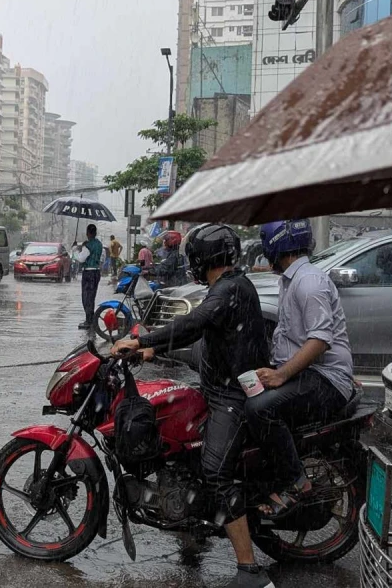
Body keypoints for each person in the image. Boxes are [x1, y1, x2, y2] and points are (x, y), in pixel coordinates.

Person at [111, 225, 273, 588]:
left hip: (232, 397)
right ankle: (193, 523)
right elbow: (200, 336)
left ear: (203, 259)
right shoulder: (227, 286)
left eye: (193, 257)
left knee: (216, 472)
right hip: (219, 388)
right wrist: (155, 349)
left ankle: (250, 571)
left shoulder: (230, 289)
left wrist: (141, 341)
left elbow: (193, 323)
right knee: (184, 443)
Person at [248, 219, 355, 520]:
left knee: (259, 409)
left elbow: (320, 340)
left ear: (276, 246)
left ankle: (296, 482)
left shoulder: (309, 282)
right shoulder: (292, 280)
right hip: (310, 373)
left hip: (325, 379)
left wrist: (281, 374)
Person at [78, 224, 104, 330]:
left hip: (88, 272)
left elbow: (81, 259)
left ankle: (88, 321)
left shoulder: (87, 245)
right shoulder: (99, 244)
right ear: (95, 233)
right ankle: (91, 319)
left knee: (86, 297)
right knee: (92, 297)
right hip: (96, 272)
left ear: (88, 233)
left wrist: (78, 248)